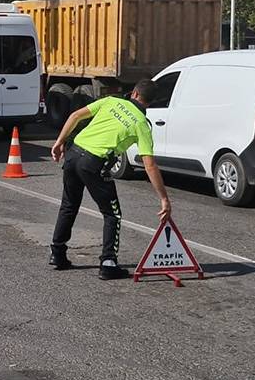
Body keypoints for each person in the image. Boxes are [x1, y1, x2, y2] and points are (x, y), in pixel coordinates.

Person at [49, 80, 172, 280]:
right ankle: (108, 262)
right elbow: (149, 164)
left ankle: (57, 252)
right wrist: (164, 198)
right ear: (150, 102)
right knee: (112, 214)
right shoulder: (141, 124)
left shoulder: (110, 101)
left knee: (69, 205)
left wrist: (59, 142)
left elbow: (75, 115)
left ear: (134, 93)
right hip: (93, 163)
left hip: (73, 154)